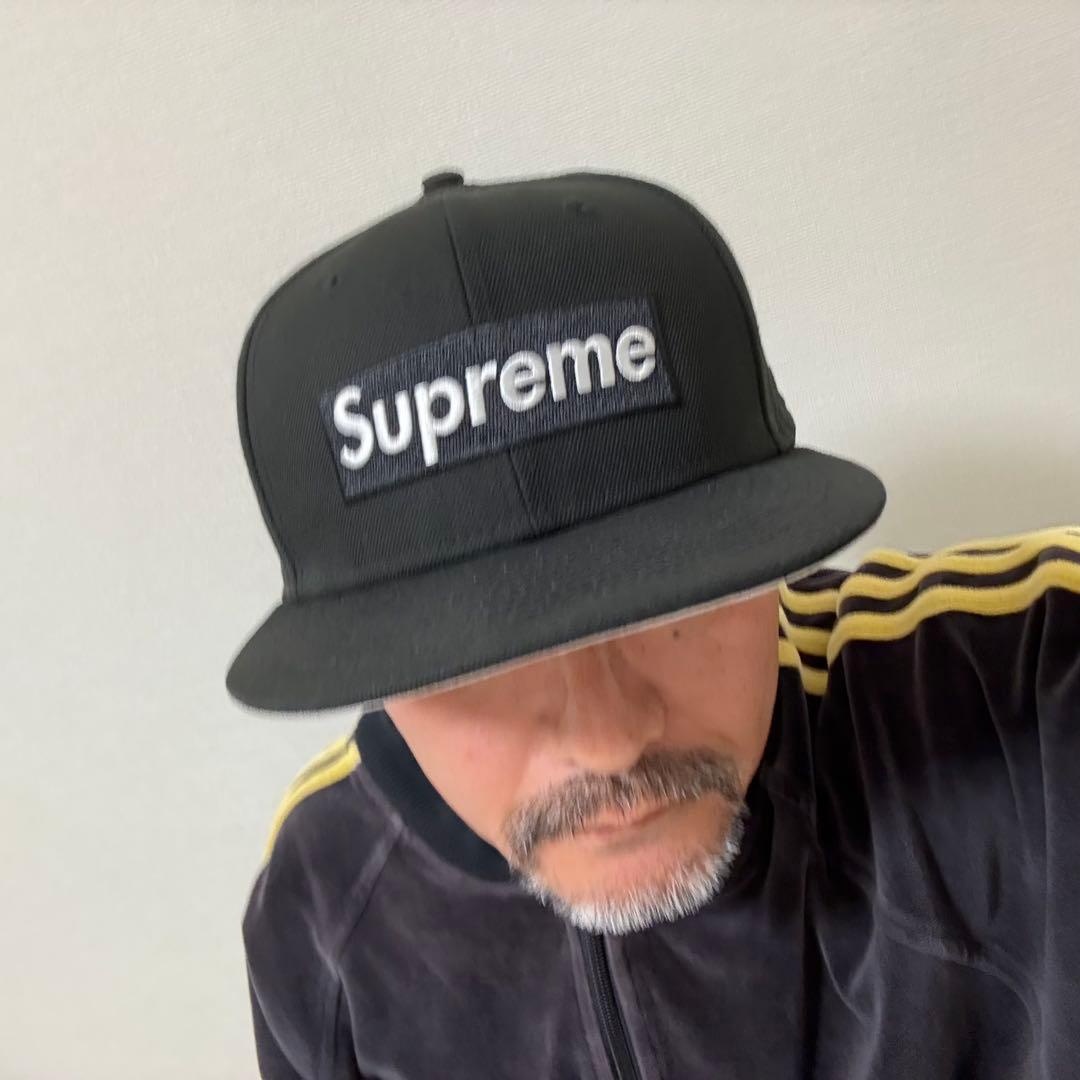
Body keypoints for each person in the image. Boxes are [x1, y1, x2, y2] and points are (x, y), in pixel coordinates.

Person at [225, 169, 1080, 1079]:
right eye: (472, 656)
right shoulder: (321, 905)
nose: (609, 743)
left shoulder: (1020, 693)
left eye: (670, 599)